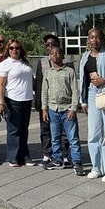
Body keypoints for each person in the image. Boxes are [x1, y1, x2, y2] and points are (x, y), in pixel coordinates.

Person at [79, 28, 105, 182]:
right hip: (91, 95)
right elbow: (82, 80)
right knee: (93, 134)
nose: (94, 40)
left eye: (97, 37)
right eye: (91, 37)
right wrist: (82, 100)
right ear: (88, 40)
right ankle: (97, 167)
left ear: (102, 39)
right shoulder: (84, 57)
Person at [41, 46, 85, 176]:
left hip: (67, 109)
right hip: (53, 109)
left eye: (58, 53)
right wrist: (44, 108)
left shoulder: (69, 71)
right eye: (52, 53)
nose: (55, 55)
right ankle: (57, 160)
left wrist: (73, 108)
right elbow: (44, 91)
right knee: (55, 137)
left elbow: (75, 91)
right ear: (50, 56)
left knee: (73, 138)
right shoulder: (48, 72)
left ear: (62, 56)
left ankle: (77, 162)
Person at [34, 34, 72, 169]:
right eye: (48, 45)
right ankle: (47, 154)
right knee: (46, 130)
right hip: (47, 104)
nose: (50, 46)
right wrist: (39, 103)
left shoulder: (66, 61)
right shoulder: (42, 61)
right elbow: (39, 83)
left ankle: (66, 155)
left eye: (53, 43)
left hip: (63, 104)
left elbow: (71, 83)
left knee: (63, 131)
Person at [0, 39, 34, 167]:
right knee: (14, 129)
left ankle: (24, 156)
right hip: (12, 100)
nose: (14, 50)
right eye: (11, 48)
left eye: (17, 48)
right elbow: (0, 85)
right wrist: (1, 103)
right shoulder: (4, 64)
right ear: (8, 50)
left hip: (27, 100)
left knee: (24, 129)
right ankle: (12, 157)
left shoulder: (25, 63)